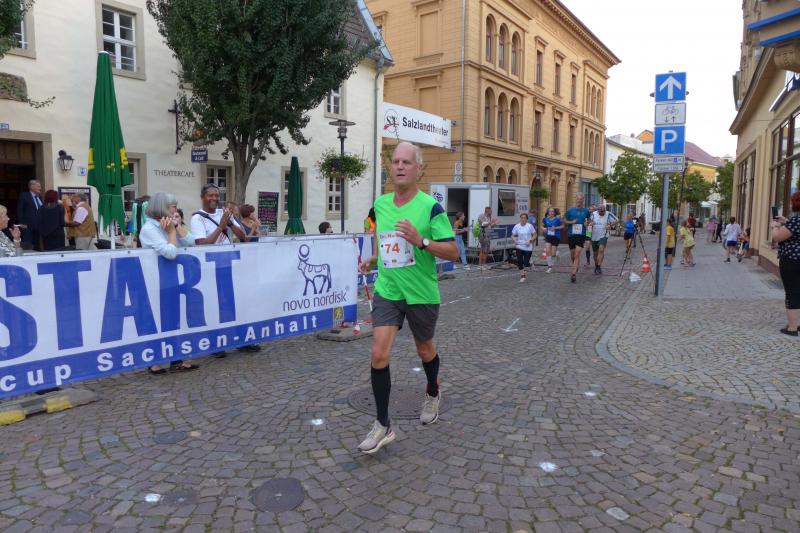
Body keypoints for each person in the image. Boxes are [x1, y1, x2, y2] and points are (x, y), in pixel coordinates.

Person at [356, 142, 458, 454]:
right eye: (396, 162)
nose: (400, 167)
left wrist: (421, 240)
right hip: (388, 290)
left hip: (421, 292)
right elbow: (385, 243)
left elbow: (452, 251)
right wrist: (374, 260)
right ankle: (383, 424)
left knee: (424, 349)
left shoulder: (431, 208)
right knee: (378, 353)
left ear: (418, 169)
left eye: (406, 162)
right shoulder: (380, 205)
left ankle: (432, 391)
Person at [190, 184, 256, 354]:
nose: (214, 198)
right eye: (210, 195)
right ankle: (215, 343)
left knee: (236, 302)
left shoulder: (224, 213)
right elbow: (201, 244)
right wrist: (220, 226)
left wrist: (230, 223)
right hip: (210, 269)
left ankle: (242, 339)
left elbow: (243, 237)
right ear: (203, 197)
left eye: (216, 195)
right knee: (214, 305)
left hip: (229, 265)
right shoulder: (197, 218)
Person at [138, 192, 199, 374]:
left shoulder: (169, 224)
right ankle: (155, 361)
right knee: (158, 320)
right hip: (157, 281)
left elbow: (191, 242)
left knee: (173, 319)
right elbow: (170, 253)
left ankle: (175, 358)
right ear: (163, 207)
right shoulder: (149, 229)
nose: (175, 209)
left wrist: (177, 227)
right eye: (173, 206)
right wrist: (171, 233)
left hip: (173, 279)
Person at [771, 191, 800, 336]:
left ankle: (792, 328)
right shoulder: (795, 222)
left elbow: (777, 237)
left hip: (792, 260)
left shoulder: (796, 221)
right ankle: (797, 323)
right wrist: (786, 221)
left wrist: (774, 226)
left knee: (792, 292)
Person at [564, 194, 590, 283]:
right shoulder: (570, 210)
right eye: (578, 199)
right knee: (572, 255)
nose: (579, 200)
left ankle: (573, 274)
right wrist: (571, 222)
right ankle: (575, 266)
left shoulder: (586, 211)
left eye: (581, 199)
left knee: (577, 254)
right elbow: (564, 220)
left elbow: (589, 220)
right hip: (571, 234)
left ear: (583, 200)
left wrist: (587, 223)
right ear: (576, 199)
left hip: (581, 234)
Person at [16, 179, 43, 250]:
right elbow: (20, 210)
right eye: (38, 186)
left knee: (36, 246)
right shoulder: (24, 195)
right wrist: (21, 223)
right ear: (31, 187)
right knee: (28, 245)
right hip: (27, 226)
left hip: (38, 226)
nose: (40, 188)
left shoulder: (39, 197)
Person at [512, 212, 535, 282]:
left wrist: (530, 240)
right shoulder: (516, 226)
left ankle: (530, 263)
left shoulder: (530, 226)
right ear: (520, 219)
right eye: (522, 218)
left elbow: (535, 235)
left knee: (526, 263)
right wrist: (515, 240)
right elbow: (513, 235)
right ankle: (522, 276)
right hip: (519, 246)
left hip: (528, 247)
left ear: (527, 219)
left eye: (524, 218)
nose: (523, 219)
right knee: (520, 262)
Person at [589, 204, 612, 275]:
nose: (603, 212)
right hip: (594, 236)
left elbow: (617, 220)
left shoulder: (608, 214)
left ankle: (599, 267)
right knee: (595, 254)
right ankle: (596, 265)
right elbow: (587, 222)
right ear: (598, 210)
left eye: (604, 211)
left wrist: (610, 225)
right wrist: (590, 223)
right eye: (601, 211)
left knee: (601, 250)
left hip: (603, 235)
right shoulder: (593, 214)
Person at [541, 207, 563, 274]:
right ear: (548, 212)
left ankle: (556, 254)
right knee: (548, 251)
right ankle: (550, 267)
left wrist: (555, 227)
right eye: (550, 211)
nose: (551, 213)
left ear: (554, 213)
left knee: (553, 254)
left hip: (556, 237)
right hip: (548, 236)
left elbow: (562, 226)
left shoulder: (557, 219)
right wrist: (543, 228)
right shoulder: (545, 219)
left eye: (552, 211)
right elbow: (542, 226)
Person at [477, 206, 497, 271]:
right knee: (483, 250)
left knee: (487, 250)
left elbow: (489, 226)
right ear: (487, 211)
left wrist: (494, 224)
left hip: (488, 235)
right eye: (491, 211)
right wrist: (491, 222)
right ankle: (480, 265)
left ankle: (483, 264)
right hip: (483, 235)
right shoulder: (481, 216)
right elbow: (483, 224)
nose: (491, 212)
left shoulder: (489, 217)